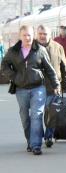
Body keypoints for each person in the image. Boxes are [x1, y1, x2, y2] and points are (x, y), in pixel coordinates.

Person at [1, 25, 60, 155]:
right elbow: (4, 65)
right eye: (24, 35)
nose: (27, 37)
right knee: (24, 117)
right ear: (20, 36)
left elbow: (49, 69)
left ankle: (36, 145)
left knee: (36, 115)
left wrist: (56, 85)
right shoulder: (13, 51)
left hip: (38, 88)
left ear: (33, 35)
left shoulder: (40, 50)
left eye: (29, 35)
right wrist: (14, 77)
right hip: (21, 89)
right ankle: (30, 141)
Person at [37, 25, 66, 147]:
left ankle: (48, 136)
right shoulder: (32, 48)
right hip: (36, 88)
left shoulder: (58, 48)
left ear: (50, 34)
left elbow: (64, 68)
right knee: (37, 116)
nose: (42, 36)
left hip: (53, 88)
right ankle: (36, 138)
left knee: (51, 114)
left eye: (45, 34)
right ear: (37, 34)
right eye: (40, 33)